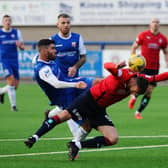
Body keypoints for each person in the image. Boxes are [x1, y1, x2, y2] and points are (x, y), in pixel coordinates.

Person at [24, 61, 168, 161]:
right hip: (88, 100)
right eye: (134, 90)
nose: (133, 93)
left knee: (113, 138)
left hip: (99, 109)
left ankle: (77, 145)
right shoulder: (122, 75)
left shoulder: (141, 80)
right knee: (64, 116)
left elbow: (158, 77)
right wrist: (117, 66)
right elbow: (107, 66)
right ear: (133, 82)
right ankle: (34, 137)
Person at [33, 39, 101, 141]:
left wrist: (74, 70)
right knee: (87, 124)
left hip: (70, 84)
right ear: (44, 50)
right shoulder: (43, 70)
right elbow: (56, 84)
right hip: (65, 97)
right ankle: (75, 143)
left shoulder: (46, 59)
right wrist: (75, 84)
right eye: (53, 48)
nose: (56, 51)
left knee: (98, 82)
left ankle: (126, 83)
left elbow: (36, 58)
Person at [50, 13, 87, 135]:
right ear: (57, 25)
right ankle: (75, 136)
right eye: (63, 23)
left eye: (68, 22)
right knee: (69, 107)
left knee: (72, 105)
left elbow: (83, 57)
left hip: (75, 79)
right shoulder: (52, 40)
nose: (66, 25)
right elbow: (48, 59)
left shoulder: (77, 38)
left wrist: (75, 67)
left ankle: (50, 114)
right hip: (60, 80)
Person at [130, 18, 168, 119]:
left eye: (157, 22)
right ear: (150, 24)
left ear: (159, 25)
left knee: (149, 91)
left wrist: (167, 62)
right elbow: (134, 47)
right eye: (153, 22)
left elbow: (166, 52)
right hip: (143, 67)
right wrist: (133, 59)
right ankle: (134, 97)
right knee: (141, 87)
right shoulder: (143, 35)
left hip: (155, 68)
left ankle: (138, 112)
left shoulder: (163, 39)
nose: (155, 24)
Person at [0, 15, 24, 111]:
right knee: (11, 81)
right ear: (2, 22)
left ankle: (1, 91)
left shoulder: (16, 32)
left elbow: (22, 48)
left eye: (9, 20)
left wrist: (20, 46)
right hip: (4, 61)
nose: (8, 22)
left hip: (14, 61)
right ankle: (13, 106)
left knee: (15, 86)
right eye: (6, 20)